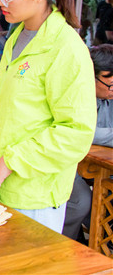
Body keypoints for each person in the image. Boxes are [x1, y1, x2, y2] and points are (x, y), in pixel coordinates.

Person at [0, 0, 97, 233]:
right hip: (0, 185)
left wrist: (14, 160)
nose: (1, 0)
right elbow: (7, 106)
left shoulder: (66, 49)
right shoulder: (18, 36)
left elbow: (75, 133)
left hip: (34, 195)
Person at [63, 44, 113, 241]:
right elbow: (82, 131)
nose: (112, 90)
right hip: (67, 161)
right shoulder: (73, 94)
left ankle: (100, 242)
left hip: (97, 163)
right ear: (91, 76)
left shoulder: (108, 95)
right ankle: (66, 245)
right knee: (81, 202)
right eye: (109, 84)